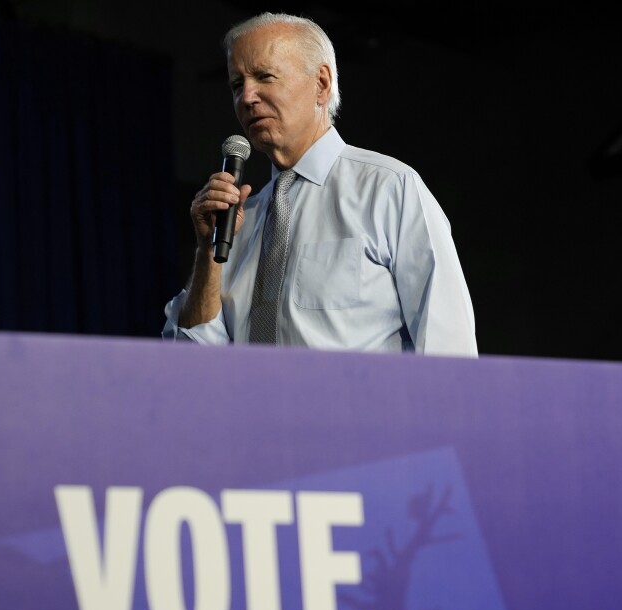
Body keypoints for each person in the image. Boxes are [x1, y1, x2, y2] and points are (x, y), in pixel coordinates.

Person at [163, 12, 477, 357]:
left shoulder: (390, 189)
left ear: (321, 84)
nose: (247, 97)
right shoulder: (235, 221)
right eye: (237, 85)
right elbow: (190, 360)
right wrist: (208, 253)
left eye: (264, 77)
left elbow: (449, 349)